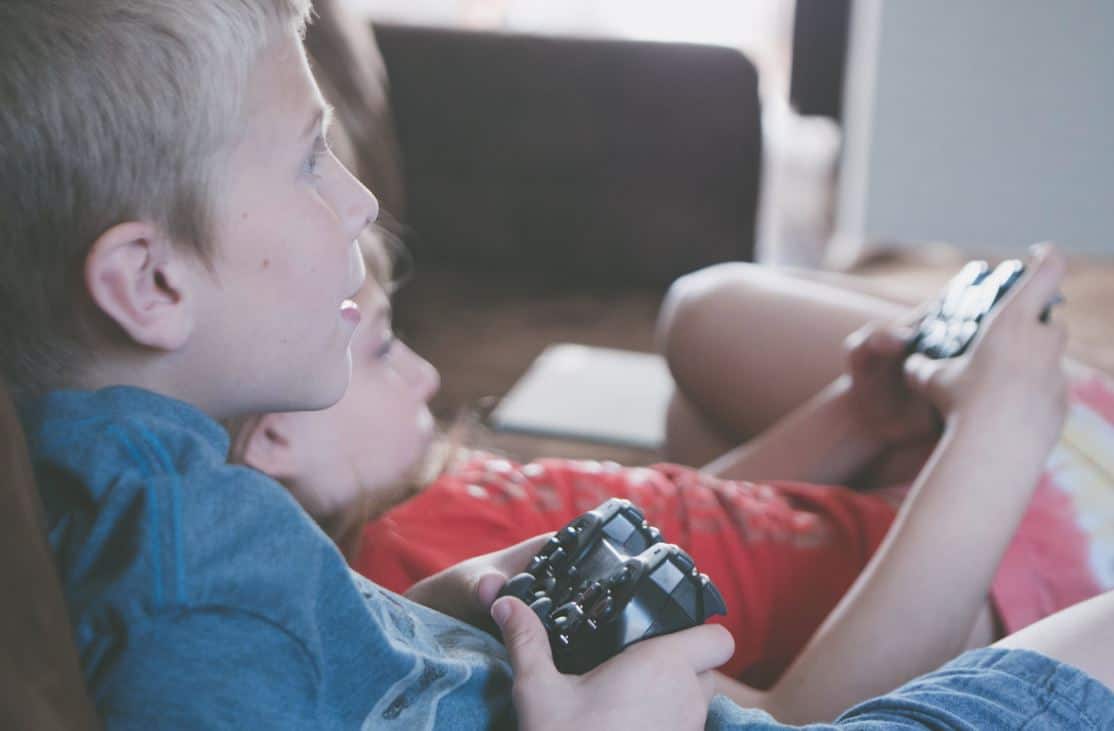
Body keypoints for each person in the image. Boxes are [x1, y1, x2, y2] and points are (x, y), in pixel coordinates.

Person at [3, 2, 1113, 729]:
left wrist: (452, 606)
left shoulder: (173, 498)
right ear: (150, 285)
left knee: (703, 343)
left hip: (734, 624)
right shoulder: (191, 588)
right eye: (306, 160)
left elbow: (352, 658)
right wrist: (994, 430)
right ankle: (1021, 427)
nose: (357, 199)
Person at [233, 240, 1114, 688]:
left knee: (686, 396)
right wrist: (989, 430)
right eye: (385, 350)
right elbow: (804, 710)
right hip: (972, 573)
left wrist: (850, 417)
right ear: (276, 432)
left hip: (894, 520)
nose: (427, 373)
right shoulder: (412, 568)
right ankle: (1048, 425)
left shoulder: (427, 506)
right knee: (709, 311)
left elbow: (697, 516)